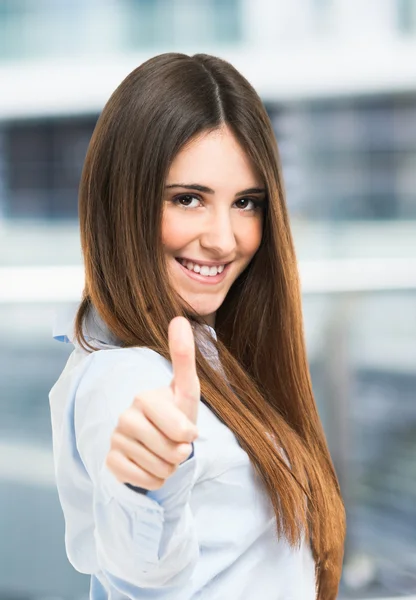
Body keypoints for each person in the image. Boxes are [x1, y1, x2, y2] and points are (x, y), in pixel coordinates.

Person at [49, 52, 346, 600]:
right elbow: (143, 572)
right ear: (122, 202)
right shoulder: (124, 379)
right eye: (188, 199)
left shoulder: (207, 348)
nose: (225, 239)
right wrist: (147, 488)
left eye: (246, 203)